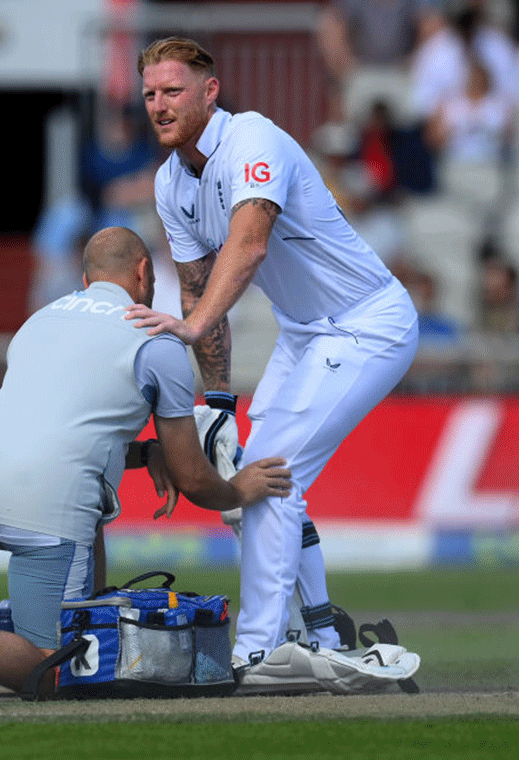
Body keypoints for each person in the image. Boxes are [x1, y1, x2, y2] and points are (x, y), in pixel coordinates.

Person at [0, 226, 294, 704]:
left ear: (85, 278)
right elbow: (192, 478)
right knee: (56, 664)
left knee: (87, 511)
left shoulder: (39, 321)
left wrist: (145, 453)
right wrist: (242, 489)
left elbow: (65, 430)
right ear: (144, 274)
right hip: (43, 506)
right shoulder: (157, 338)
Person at [126, 38, 419, 680]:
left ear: (209, 92)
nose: (159, 105)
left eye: (173, 91)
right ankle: (321, 628)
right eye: (149, 94)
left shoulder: (253, 139)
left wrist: (193, 323)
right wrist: (220, 398)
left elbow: (250, 245)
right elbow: (200, 284)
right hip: (305, 331)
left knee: (266, 480)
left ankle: (257, 648)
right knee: (261, 484)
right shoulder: (171, 181)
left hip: (368, 323)